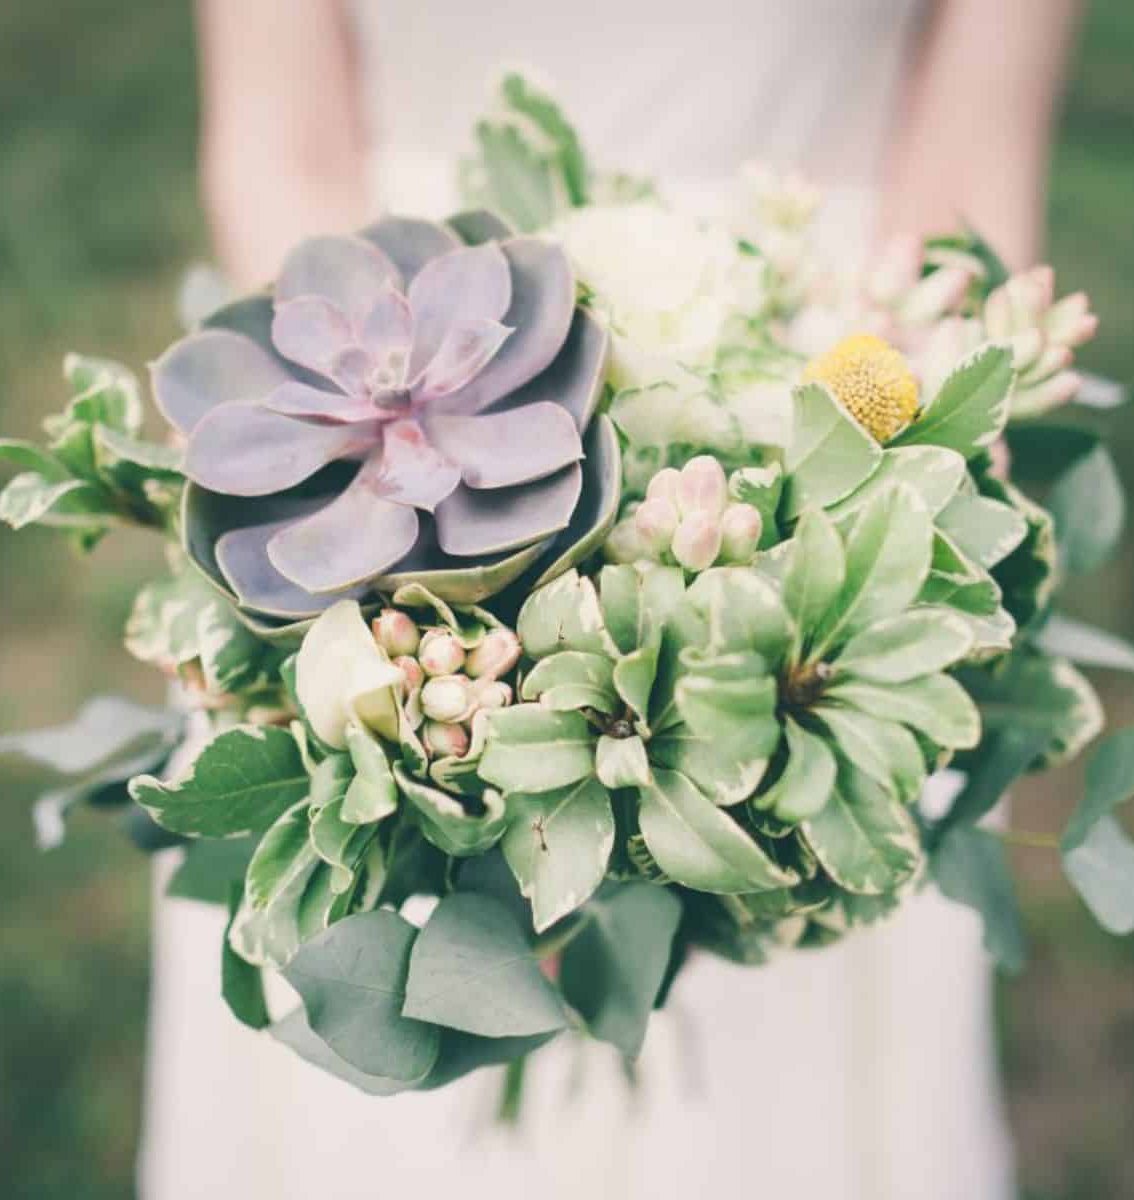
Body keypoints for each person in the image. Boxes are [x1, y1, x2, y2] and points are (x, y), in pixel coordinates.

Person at [140, 3, 1080, 1196]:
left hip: (824, 377)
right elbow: (283, 143)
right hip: (388, 438)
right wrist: (399, 543)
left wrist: (817, 508)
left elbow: (968, 170)